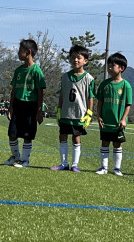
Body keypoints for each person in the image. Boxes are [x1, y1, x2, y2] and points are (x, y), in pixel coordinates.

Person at [51, 45, 95, 173]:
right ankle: (64, 163)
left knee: (76, 137)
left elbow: (90, 97)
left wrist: (89, 113)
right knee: (62, 136)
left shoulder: (89, 78)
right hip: (66, 112)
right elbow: (62, 94)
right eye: (73, 57)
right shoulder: (65, 77)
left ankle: (75, 165)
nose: (75, 60)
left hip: (79, 114)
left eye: (78, 58)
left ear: (85, 61)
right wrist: (59, 109)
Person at [4, 39, 45, 168]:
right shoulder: (18, 71)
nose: (18, 53)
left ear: (28, 52)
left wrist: (39, 111)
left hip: (30, 106)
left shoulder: (37, 71)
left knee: (28, 134)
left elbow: (40, 92)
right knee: (12, 133)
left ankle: (25, 160)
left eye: (20, 50)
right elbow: (13, 90)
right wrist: (10, 108)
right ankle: (15, 156)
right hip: (18, 104)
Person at [95, 52, 132, 176]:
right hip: (106, 121)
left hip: (118, 123)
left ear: (121, 68)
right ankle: (104, 167)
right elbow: (100, 101)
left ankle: (117, 168)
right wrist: (98, 116)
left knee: (117, 144)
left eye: (113, 66)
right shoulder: (104, 84)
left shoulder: (126, 86)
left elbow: (128, 104)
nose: (109, 68)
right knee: (105, 143)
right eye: (108, 65)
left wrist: (123, 119)